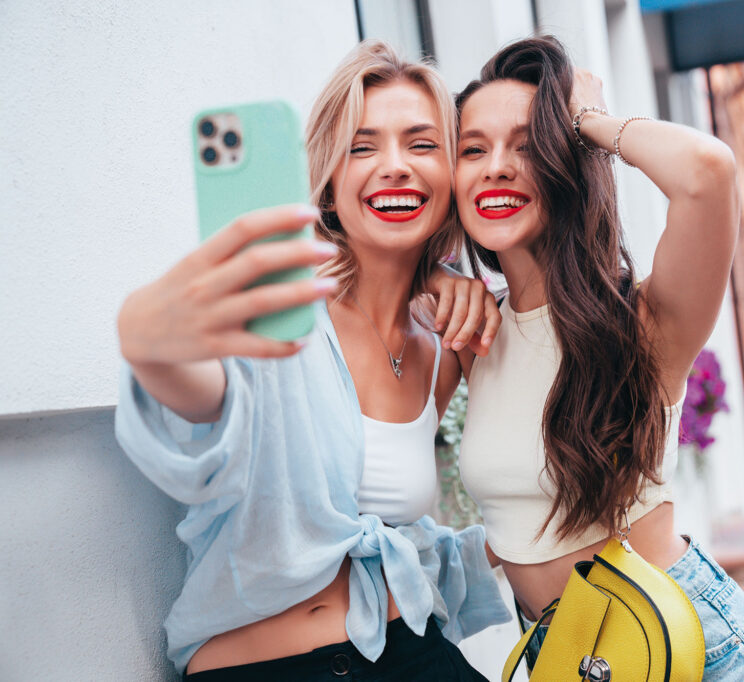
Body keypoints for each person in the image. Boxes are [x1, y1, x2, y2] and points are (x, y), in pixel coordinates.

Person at [115, 41, 510, 681]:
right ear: (328, 179)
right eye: (362, 147)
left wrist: (444, 278)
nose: (394, 167)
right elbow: (205, 392)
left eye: (421, 144)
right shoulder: (281, 317)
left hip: (412, 651)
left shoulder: (441, 346)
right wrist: (147, 338)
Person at [452, 37, 744, 680]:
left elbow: (707, 172)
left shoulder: (642, 322)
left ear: (566, 158)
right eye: (473, 149)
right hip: (571, 659)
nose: (496, 167)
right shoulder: (477, 333)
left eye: (528, 144)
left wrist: (587, 119)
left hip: (691, 648)